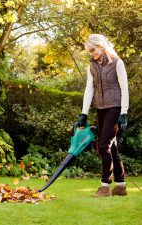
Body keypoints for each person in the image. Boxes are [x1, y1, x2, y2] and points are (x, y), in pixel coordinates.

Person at [78, 34, 129, 197]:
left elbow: (124, 88)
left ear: (101, 46)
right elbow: (89, 89)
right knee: (112, 147)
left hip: (115, 107)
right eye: (89, 51)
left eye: (93, 50)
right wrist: (83, 113)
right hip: (100, 108)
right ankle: (120, 185)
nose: (91, 53)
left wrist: (124, 112)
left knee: (103, 146)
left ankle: (105, 186)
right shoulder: (91, 66)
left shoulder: (117, 63)